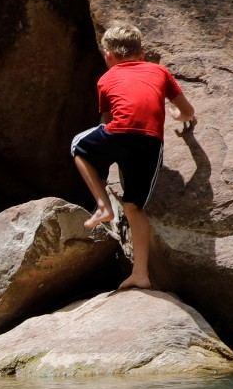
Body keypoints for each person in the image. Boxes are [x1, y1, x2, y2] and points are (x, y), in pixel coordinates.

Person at [71, 21, 195, 292]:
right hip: (150, 142)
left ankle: (103, 205)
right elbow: (187, 110)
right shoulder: (160, 71)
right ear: (142, 53)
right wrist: (180, 117)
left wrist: (106, 156)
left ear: (109, 56)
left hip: (118, 133)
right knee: (134, 207)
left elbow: (107, 121)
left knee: (79, 147)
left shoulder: (105, 79)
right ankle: (141, 274)